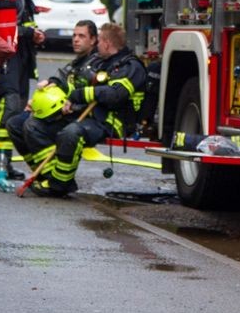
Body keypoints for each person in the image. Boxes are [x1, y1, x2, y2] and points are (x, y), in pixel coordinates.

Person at [9, 22, 142, 197]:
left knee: (71, 133)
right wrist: (47, 94)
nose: (97, 46)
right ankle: (48, 176)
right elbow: (72, 83)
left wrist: (77, 97)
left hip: (112, 121)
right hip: (88, 115)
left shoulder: (130, 67)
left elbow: (114, 95)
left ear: (107, 43)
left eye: (99, 41)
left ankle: (59, 185)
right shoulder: (100, 61)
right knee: (28, 125)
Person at [0, 0, 44, 183]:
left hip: (22, 58)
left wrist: (36, 34)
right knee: (8, 108)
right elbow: (3, 27)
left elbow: (25, 24)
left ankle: (6, 162)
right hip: (8, 61)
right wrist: (27, 32)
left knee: (17, 112)